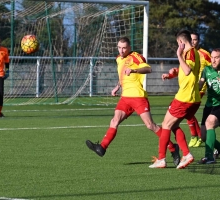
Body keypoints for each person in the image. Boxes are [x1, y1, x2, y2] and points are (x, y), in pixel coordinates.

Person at [85, 36, 180, 167]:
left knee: (150, 125)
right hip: (125, 97)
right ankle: (102, 147)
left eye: (124, 48)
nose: (121, 50)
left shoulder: (136, 57)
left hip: (138, 97)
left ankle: (173, 148)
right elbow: (123, 75)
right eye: (119, 47)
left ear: (129, 48)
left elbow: (148, 69)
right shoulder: (118, 59)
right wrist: (117, 86)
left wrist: (134, 70)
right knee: (114, 120)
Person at [152, 29, 201, 169]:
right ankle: (186, 154)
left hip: (185, 98)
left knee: (166, 125)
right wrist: (173, 74)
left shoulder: (189, 52)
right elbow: (187, 72)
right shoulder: (192, 53)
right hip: (191, 98)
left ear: (180, 42)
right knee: (173, 125)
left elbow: (187, 71)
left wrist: (178, 55)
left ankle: (161, 159)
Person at [165, 32, 211, 148]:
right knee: (187, 115)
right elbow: (184, 70)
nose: (193, 42)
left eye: (195, 40)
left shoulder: (203, 54)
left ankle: (196, 137)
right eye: (192, 39)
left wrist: (208, 82)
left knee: (185, 114)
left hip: (197, 88)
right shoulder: (187, 52)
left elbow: (212, 69)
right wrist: (172, 74)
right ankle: (206, 141)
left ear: (199, 41)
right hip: (189, 88)